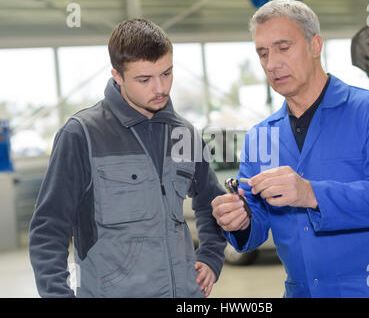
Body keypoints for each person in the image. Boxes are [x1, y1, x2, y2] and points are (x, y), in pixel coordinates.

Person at [212, 0, 369, 298]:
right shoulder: (260, 137)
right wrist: (238, 220)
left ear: (315, 45)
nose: (272, 63)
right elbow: (255, 225)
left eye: (283, 48)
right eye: (263, 53)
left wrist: (311, 194)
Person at [29, 19, 226, 298]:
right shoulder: (81, 135)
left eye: (167, 73)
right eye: (144, 79)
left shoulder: (184, 134)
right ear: (117, 75)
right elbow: (48, 230)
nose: (160, 88)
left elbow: (211, 202)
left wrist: (210, 257)